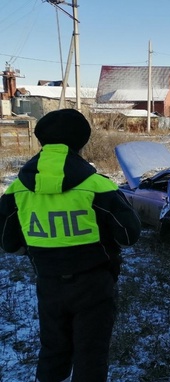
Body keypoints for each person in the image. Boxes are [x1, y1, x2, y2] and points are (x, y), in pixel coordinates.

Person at [0, 108, 141, 382]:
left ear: (40, 141)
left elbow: (7, 241)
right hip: (95, 285)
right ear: (82, 141)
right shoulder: (98, 186)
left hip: (48, 283)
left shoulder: (17, 189)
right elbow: (129, 235)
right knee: (91, 354)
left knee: (53, 349)